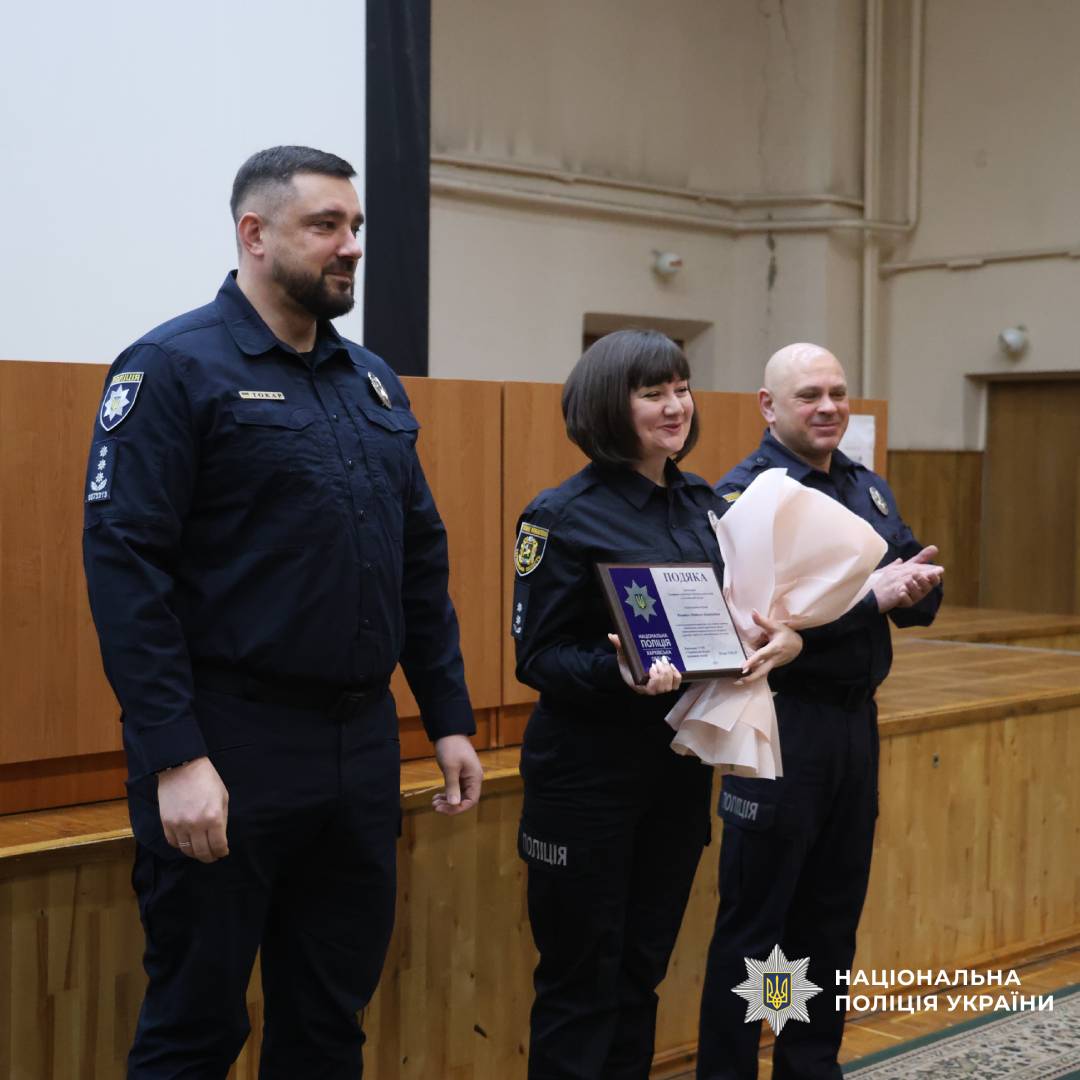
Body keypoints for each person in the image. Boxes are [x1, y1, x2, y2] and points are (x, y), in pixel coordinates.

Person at [82, 145, 483, 1079]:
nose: (350, 247)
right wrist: (177, 756)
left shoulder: (372, 382)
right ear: (254, 235)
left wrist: (449, 716)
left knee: (328, 1021)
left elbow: (416, 559)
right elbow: (125, 570)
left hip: (357, 745)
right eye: (326, 227)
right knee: (195, 1025)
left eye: (356, 229)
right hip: (228, 740)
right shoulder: (171, 368)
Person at [511, 330, 804, 1080]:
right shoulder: (560, 514)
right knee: (581, 984)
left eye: (680, 387)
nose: (675, 405)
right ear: (610, 404)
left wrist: (780, 643)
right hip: (584, 781)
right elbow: (537, 661)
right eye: (653, 392)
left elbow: (742, 619)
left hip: (676, 770)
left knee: (640, 974)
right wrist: (622, 672)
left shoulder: (707, 504)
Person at [696, 343, 944, 1080]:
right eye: (809, 395)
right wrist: (874, 594)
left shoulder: (867, 489)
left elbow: (916, 593)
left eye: (838, 392)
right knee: (756, 925)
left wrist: (914, 585)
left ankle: (806, 1065)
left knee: (825, 923)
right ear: (769, 407)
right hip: (778, 723)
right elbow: (761, 628)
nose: (829, 406)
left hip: (851, 728)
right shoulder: (749, 496)